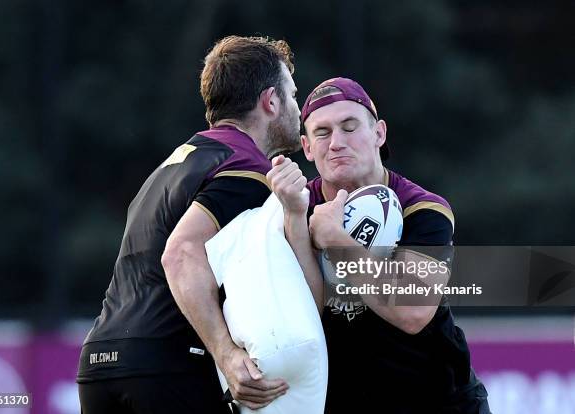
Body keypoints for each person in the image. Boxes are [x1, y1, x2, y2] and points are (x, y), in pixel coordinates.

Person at [76, 35, 301, 413]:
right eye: (293, 95)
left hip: (100, 361)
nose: (299, 110)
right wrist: (227, 355)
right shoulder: (246, 169)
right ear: (271, 101)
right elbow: (180, 254)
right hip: (166, 367)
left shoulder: (176, 162)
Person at [268, 77, 490, 413]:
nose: (337, 142)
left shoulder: (423, 209)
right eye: (323, 132)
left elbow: (412, 311)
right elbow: (295, 319)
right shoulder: (292, 207)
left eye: (349, 126)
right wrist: (296, 224)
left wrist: (334, 240)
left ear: (379, 133)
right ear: (307, 147)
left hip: (437, 400)